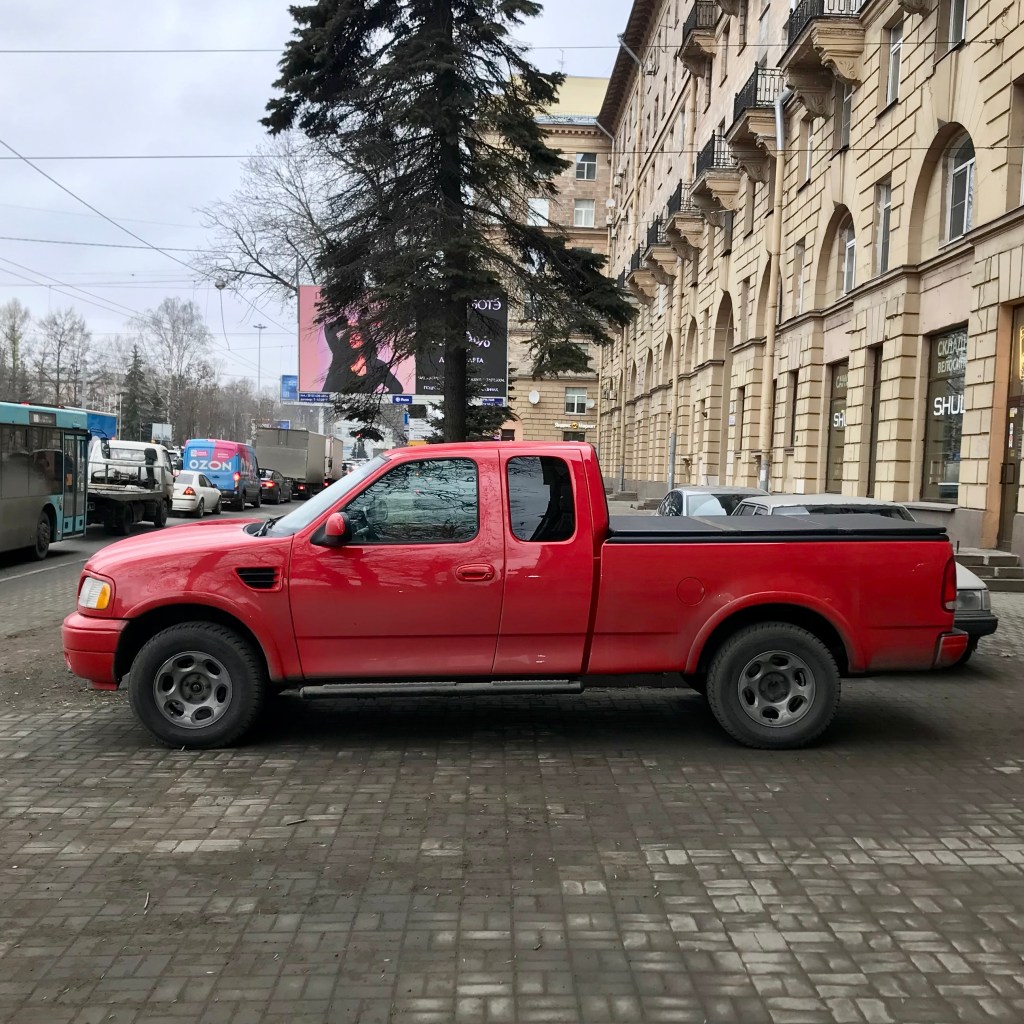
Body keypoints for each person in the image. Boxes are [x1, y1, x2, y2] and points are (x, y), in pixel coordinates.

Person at [322, 313, 404, 395]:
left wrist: (374, 401)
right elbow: (329, 329)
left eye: (357, 336)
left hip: (359, 407)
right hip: (328, 405)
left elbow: (397, 389)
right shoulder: (340, 354)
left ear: (364, 340)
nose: (353, 339)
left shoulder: (378, 366)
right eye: (351, 337)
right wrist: (347, 324)